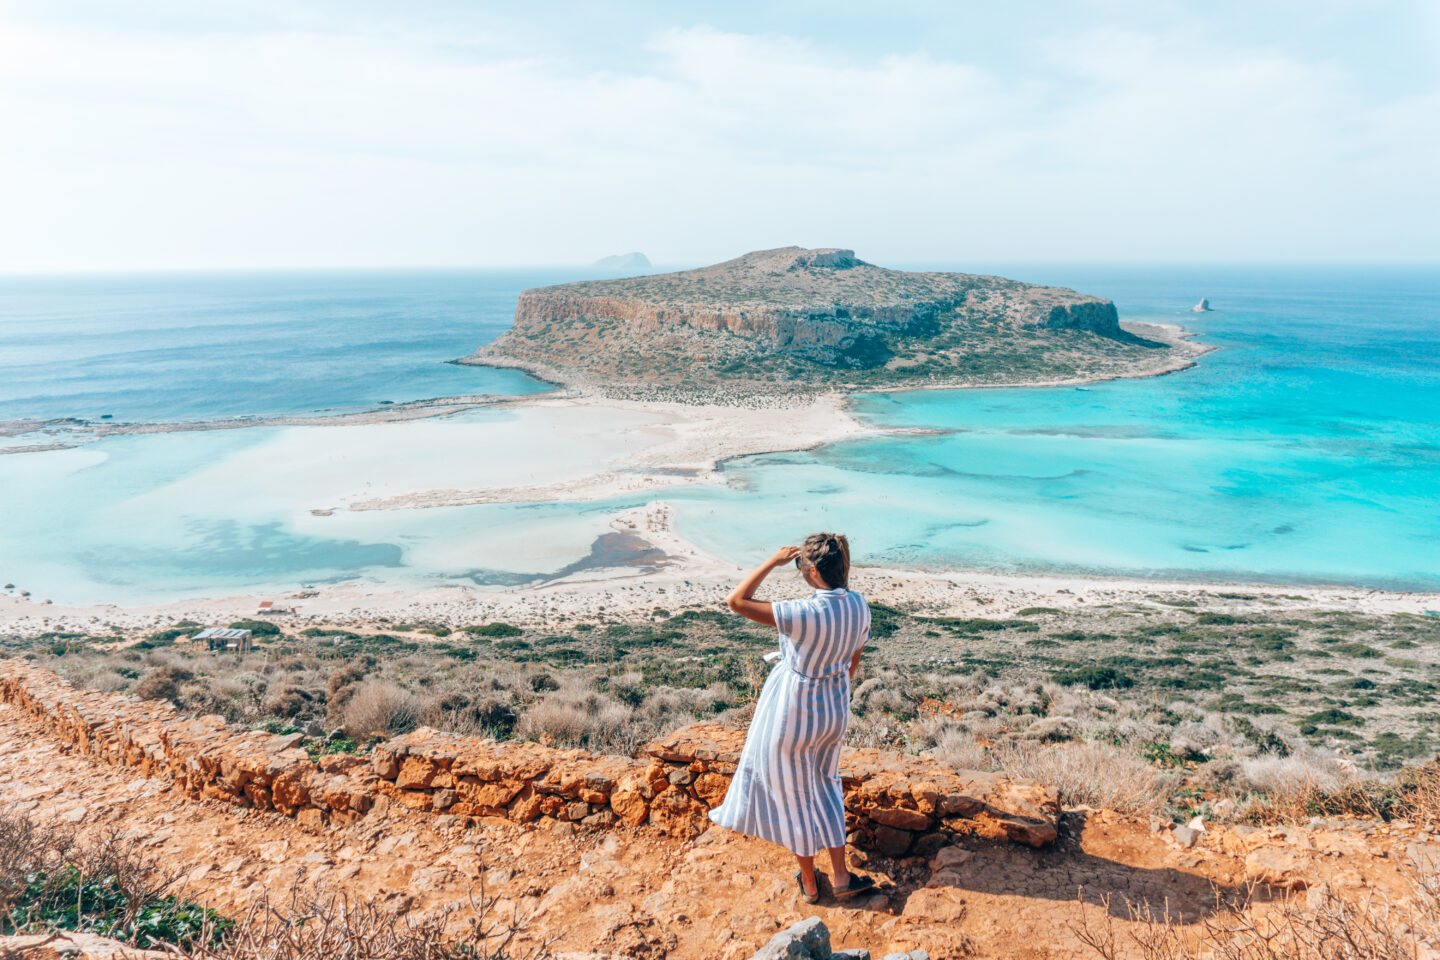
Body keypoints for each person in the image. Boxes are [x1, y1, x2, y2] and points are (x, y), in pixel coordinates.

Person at [708, 532, 876, 904]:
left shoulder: (803, 613)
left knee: (796, 794)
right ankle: (843, 876)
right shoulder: (860, 606)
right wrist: (831, 682)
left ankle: (811, 883)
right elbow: (853, 662)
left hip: (796, 710)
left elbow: (736, 601)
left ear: (814, 571)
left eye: (802, 568)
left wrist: (772, 561)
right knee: (827, 785)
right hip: (835, 707)